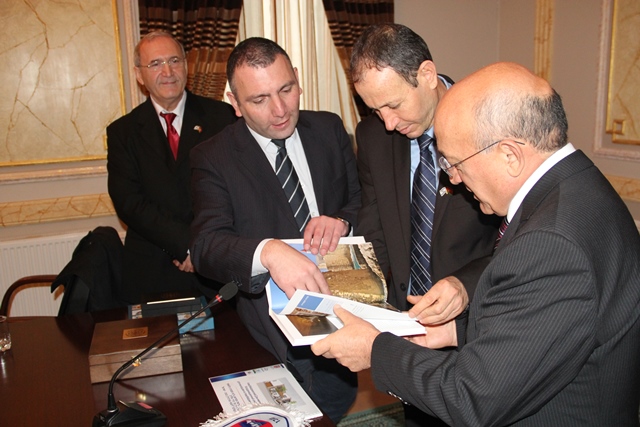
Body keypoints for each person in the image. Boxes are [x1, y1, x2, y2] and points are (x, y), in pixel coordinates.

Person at [312, 61, 640, 426]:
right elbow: (544, 327)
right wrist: (456, 330)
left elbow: (472, 398)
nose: (452, 179)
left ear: (509, 155)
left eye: (455, 163)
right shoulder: (580, 185)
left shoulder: (551, 244)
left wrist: (375, 351)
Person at [189, 37, 360, 422]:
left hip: (340, 315)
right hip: (272, 337)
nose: (280, 110)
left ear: (297, 78)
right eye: (259, 99)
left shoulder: (329, 128)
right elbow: (206, 246)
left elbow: (362, 201)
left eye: (286, 89)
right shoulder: (213, 157)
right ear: (234, 103)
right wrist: (268, 250)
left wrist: (342, 220)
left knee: (333, 408)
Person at [351, 23, 500, 426]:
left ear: (427, 75)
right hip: (406, 326)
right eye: (375, 109)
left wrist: (466, 285)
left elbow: (520, 239)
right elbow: (375, 226)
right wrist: (369, 301)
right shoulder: (373, 136)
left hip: (479, 323)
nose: (387, 122)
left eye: (394, 104)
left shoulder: (489, 126)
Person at [107, 31, 236, 304]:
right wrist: (186, 245)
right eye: (155, 64)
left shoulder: (223, 118)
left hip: (215, 267)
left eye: (174, 61)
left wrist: (201, 247)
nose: (167, 71)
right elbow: (129, 202)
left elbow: (236, 189)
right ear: (139, 75)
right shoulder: (123, 132)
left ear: (186, 66)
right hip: (152, 271)